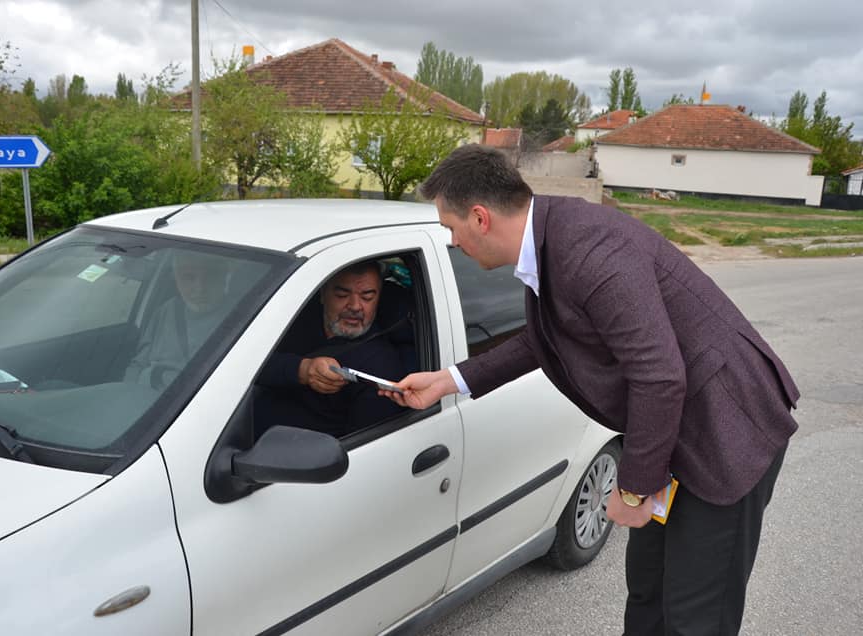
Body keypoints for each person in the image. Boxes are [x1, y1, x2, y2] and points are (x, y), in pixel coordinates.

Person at [386, 145, 798, 635]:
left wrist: (634, 486)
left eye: (450, 228)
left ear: (480, 218)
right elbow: (544, 340)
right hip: (673, 431)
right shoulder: (548, 241)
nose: (452, 242)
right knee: (649, 590)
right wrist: (449, 380)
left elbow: (658, 374)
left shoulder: (588, 249)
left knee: (696, 613)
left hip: (725, 433)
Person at [255, 259, 407, 438]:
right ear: (321, 293)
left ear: (379, 299)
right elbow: (242, 364)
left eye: (367, 297)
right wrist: (300, 370)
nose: (355, 306)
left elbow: (364, 450)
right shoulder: (289, 319)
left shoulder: (380, 367)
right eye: (342, 295)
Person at [125, 249, 231, 388]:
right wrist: (128, 393)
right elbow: (138, 365)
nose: (199, 288)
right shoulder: (166, 310)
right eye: (188, 277)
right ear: (176, 279)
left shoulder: (243, 319)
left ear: (223, 278)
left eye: (210, 277)